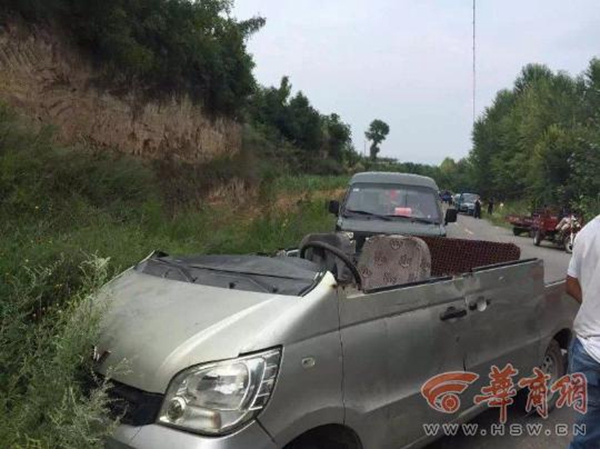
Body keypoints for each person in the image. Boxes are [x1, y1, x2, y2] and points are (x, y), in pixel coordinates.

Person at [566, 213, 600, 449]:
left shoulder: (587, 232)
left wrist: (591, 305)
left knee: (586, 436)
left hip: (587, 351)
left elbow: (570, 283)